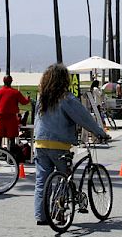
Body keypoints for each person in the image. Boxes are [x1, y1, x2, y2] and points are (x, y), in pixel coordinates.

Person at [34, 64, 109, 226]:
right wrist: (100, 133)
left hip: (40, 143)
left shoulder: (42, 97)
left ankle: (41, 216)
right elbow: (83, 118)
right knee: (64, 178)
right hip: (59, 144)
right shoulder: (66, 98)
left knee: (42, 180)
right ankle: (59, 213)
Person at [0, 75, 30, 161]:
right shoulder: (15, 92)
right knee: (11, 139)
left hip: (1, 118)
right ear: (11, 81)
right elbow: (24, 102)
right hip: (11, 118)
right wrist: (28, 99)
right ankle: (11, 158)